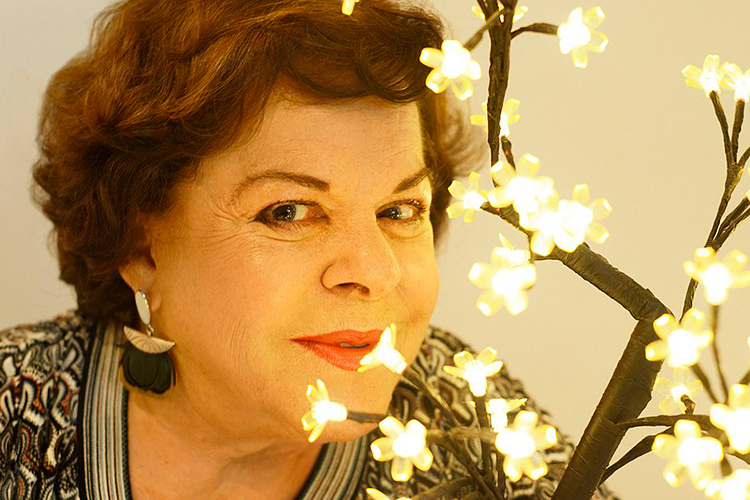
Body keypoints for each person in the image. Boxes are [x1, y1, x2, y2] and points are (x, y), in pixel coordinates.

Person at [0, 0, 617, 498]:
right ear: (143, 249)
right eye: (288, 212)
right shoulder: (13, 409)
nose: (374, 271)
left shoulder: (464, 417)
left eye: (399, 211)